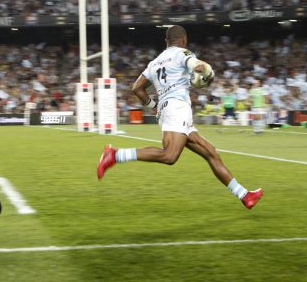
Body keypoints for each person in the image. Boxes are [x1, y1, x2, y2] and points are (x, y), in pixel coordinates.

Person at [96, 25, 263, 209]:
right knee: (170, 155)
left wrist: (155, 107)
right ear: (184, 40)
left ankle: (244, 195)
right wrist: (205, 71)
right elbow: (196, 65)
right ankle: (116, 155)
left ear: (166, 41)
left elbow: (137, 88)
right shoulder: (182, 53)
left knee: (210, 153)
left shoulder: (155, 62)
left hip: (169, 110)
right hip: (178, 108)